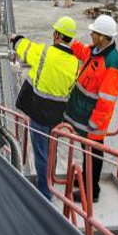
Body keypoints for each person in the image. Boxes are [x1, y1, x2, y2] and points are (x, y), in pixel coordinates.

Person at [10, 16, 79, 200]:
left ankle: (44, 193)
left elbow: (24, 48)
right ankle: (50, 183)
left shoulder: (45, 52)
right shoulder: (75, 63)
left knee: (40, 153)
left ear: (57, 34)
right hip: (57, 115)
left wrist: (16, 38)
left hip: (39, 111)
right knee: (51, 151)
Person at [63, 14, 118, 203]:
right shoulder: (97, 50)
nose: (91, 34)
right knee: (86, 150)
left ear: (104, 36)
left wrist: (95, 122)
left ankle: (91, 192)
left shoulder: (112, 62)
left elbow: (107, 99)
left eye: (94, 32)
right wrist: (68, 42)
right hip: (85, 114)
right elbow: (84, 53)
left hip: (95, 120)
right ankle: (86, 181)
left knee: (93, 153)